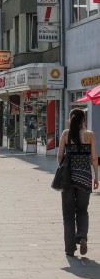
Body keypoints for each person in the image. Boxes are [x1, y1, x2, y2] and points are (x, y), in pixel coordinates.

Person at [58, 108, 98, 257]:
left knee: (68, 214)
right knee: (82, 210)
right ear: (83, 120)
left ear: (70, 119)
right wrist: (96, 177)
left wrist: (62, 170)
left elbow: (60, 156)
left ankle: (69, 249)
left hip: (68, 178)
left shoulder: (65, 134)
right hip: (85, 178)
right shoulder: (89, 135)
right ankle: (81, 236)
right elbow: (94, 158)